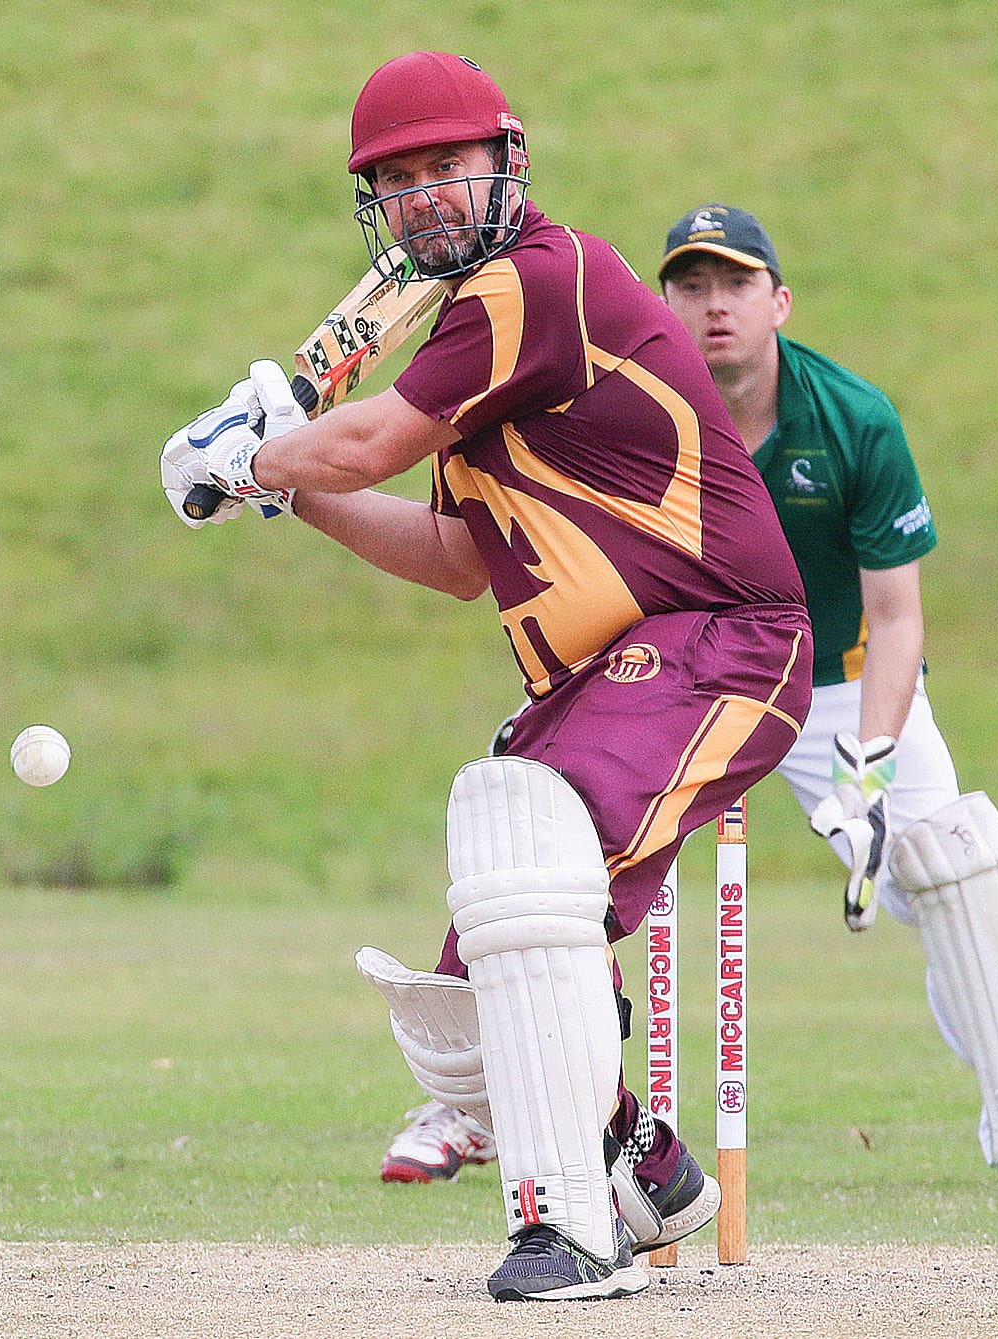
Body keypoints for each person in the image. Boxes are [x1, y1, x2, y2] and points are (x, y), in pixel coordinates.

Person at [159, 58, 812, 1301]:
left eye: (442, 168)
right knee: (466, 1014)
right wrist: (285, 486)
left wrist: (252, 456)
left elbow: (368, 438)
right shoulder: (479, 345)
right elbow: (459, 557)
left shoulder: (540, 280)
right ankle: (641, 1164)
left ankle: (568, 1227)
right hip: (607, 676)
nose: (422, 200)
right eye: (394, 182)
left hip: (719, 634)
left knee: (523, 834)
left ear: (506, 163)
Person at [655, 203, 998, 1189]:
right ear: (663, 303)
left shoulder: (853, 420)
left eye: (733, 284)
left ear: (778, 301)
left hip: (835, 686)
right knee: (537, 823)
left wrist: (865, 763)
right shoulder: (644, 411)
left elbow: (896, 618)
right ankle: (480, 1108)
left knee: (953, 866)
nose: (711, 307)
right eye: (688, 286)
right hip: (691, 671)